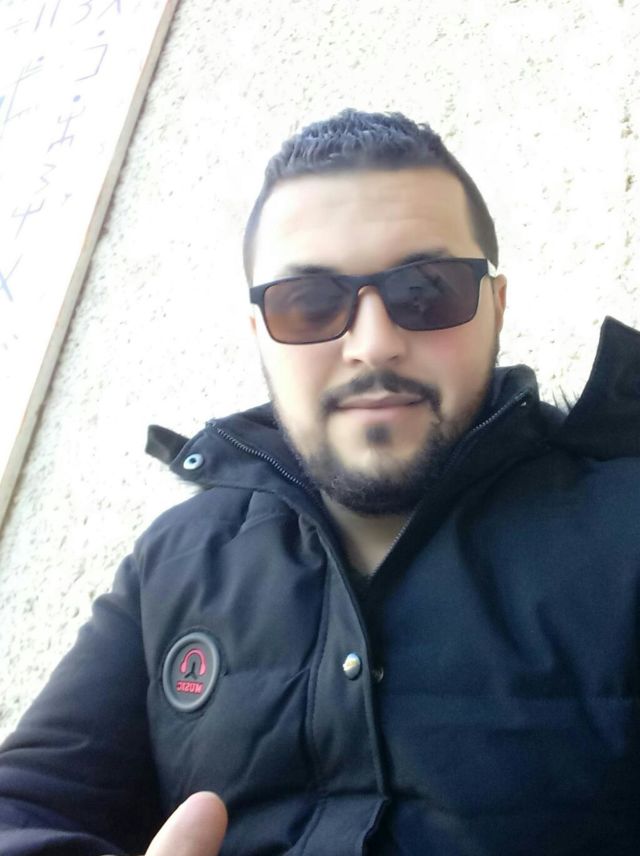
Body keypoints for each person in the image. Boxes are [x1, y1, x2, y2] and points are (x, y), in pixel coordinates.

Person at [1, 108, 639, 856]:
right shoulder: (172, 562)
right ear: (259, 335)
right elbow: (25, 803)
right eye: (307, 303)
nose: (374, 344)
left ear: (495, 306)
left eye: (427, 290)